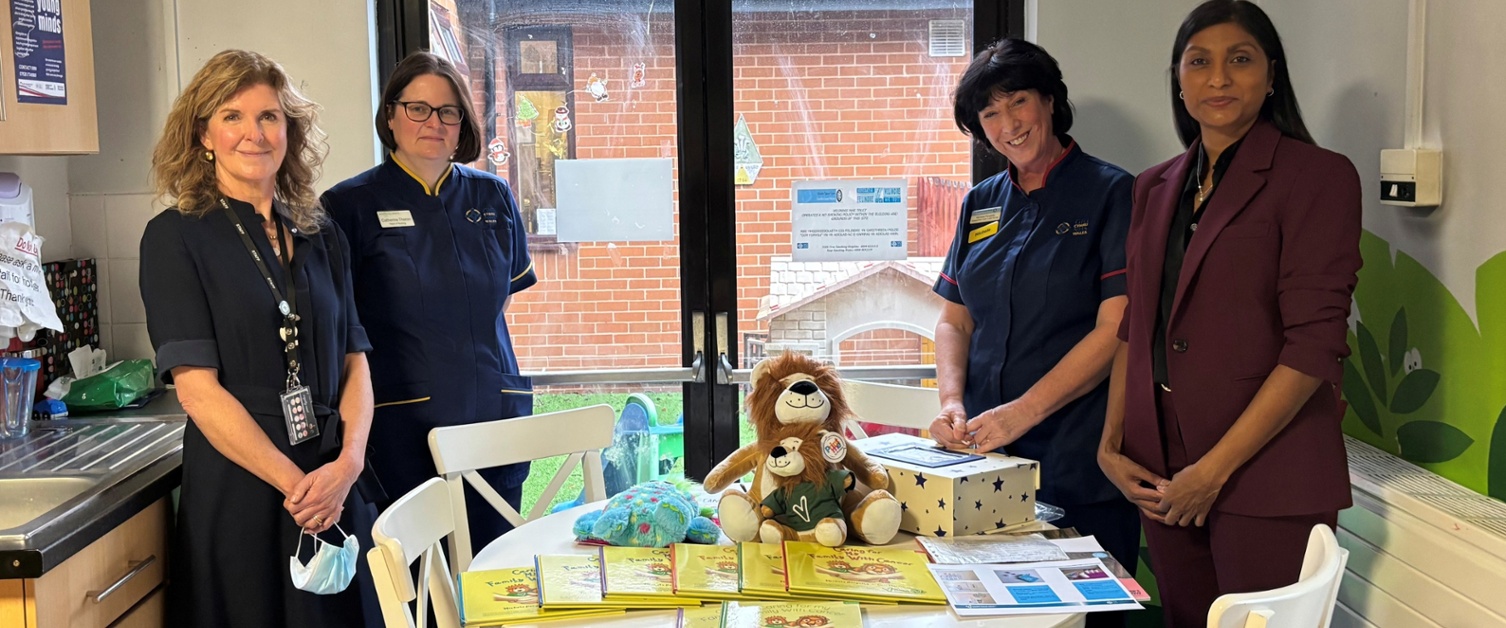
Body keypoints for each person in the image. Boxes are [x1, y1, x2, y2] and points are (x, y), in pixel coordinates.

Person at [1097, 1, 1363, 624]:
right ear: (1178, 80)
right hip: (1160, 468)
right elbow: (1137, 325)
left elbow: (1314, 346)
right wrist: (1110, 444)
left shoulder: (1318, 176)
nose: (1218, 78)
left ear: (1271, 76)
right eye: (1199, 62)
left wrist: (1212, 472)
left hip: (1266, 471)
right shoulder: (1154, 186)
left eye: (1240, 60)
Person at [141, 50, 374, 627]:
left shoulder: (321, 232)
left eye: (269, 116)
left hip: (332, 476)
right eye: (232, 117)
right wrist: (300, 490)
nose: (255, 133)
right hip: (243, 485)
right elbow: (198, 393)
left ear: (289, 130)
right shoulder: (175, 238)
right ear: (204, 136)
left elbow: (356, 361)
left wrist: (347, 466)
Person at [928, 38, 1139, 626]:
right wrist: (951, 402)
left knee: (1085, 622)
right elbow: (954, 319)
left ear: (1049, 100)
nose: (1007, 125)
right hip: (984, 467)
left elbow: (1116, 328)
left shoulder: (1113, 193)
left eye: (1017, 101)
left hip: (1078, 464)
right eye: (989, 114)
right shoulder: (980, 203)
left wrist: (1020, 414)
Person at [321, 51, 536, 548]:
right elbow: (342, 327)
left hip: (494, 414)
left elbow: (497, 301)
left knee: (496, 564)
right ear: (390, 116)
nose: (433, 123)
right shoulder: (348, 206)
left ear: (462, 124)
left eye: (447, 111)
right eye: (417, 108)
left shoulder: (493, 197)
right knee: (417, 575)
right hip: (402, 427)